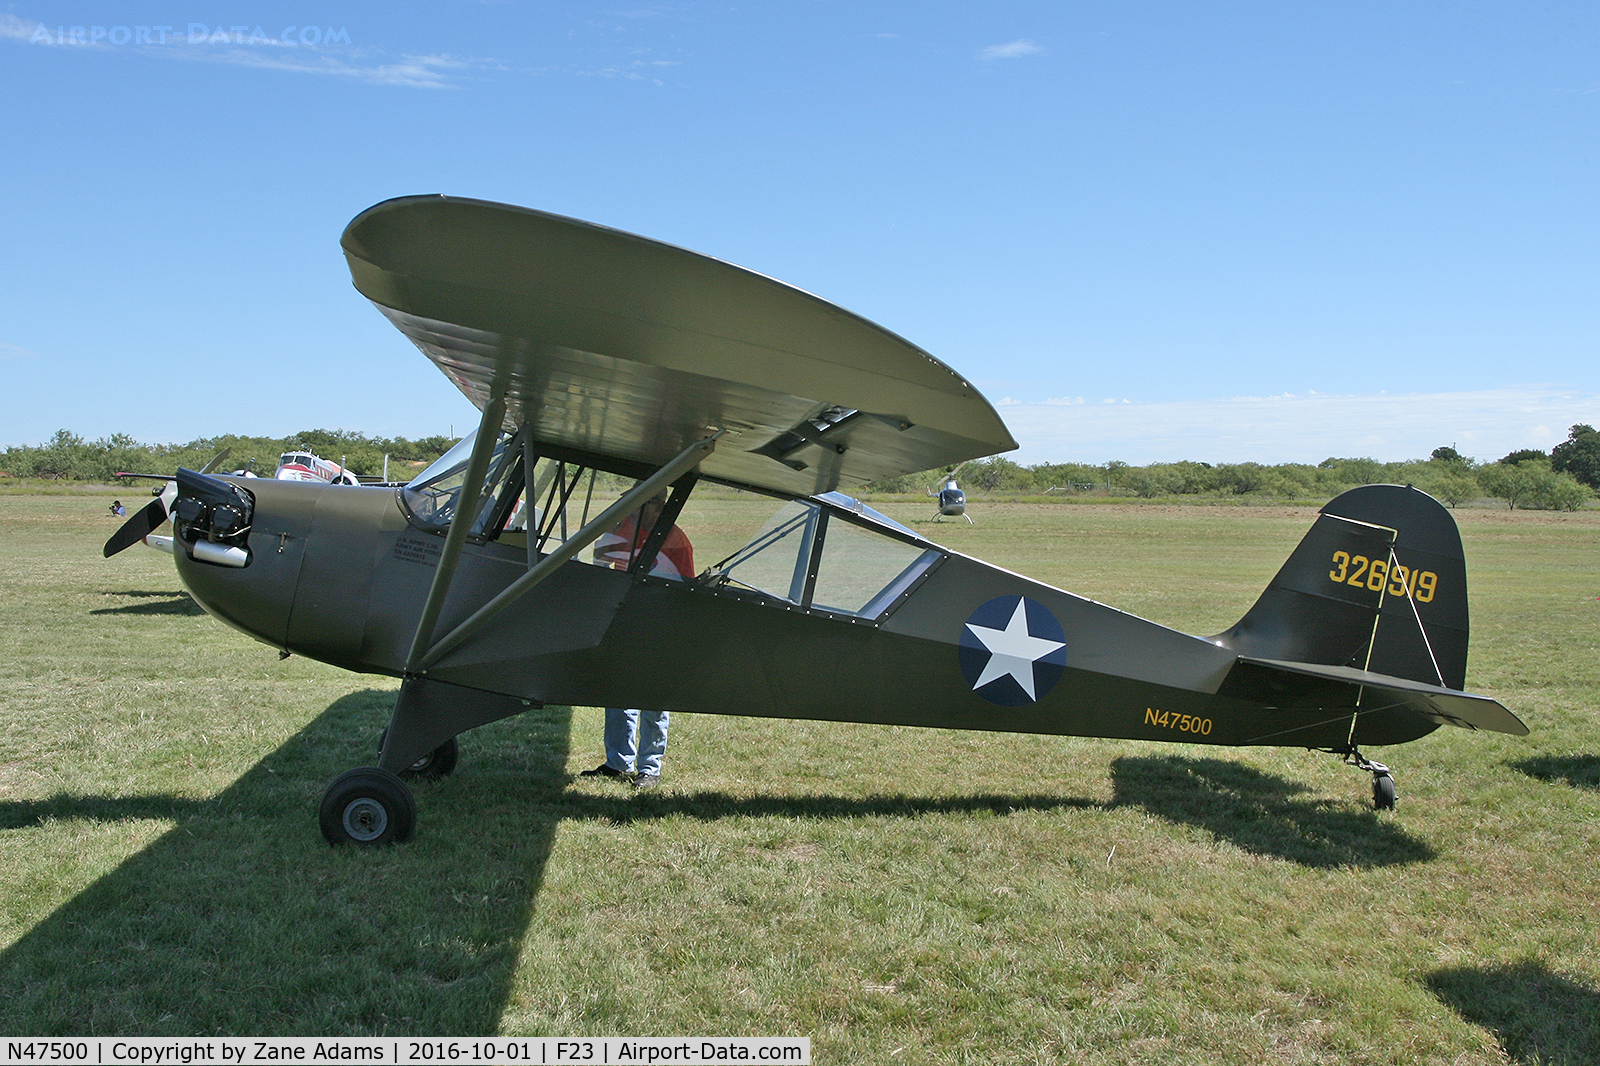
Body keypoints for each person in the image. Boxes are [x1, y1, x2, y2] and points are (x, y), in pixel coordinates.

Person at [580, 491, 693, 790]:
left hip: (659, 627)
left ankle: (649, 768)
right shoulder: (624, 529)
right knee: (618, 694)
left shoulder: (676, 539)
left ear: (656, 505)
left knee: (654, 698)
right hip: (624, 621)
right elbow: (600, 558)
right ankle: (618, 763)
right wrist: (610, 528)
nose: (631, 508)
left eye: (638, 502)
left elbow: (687, 589)